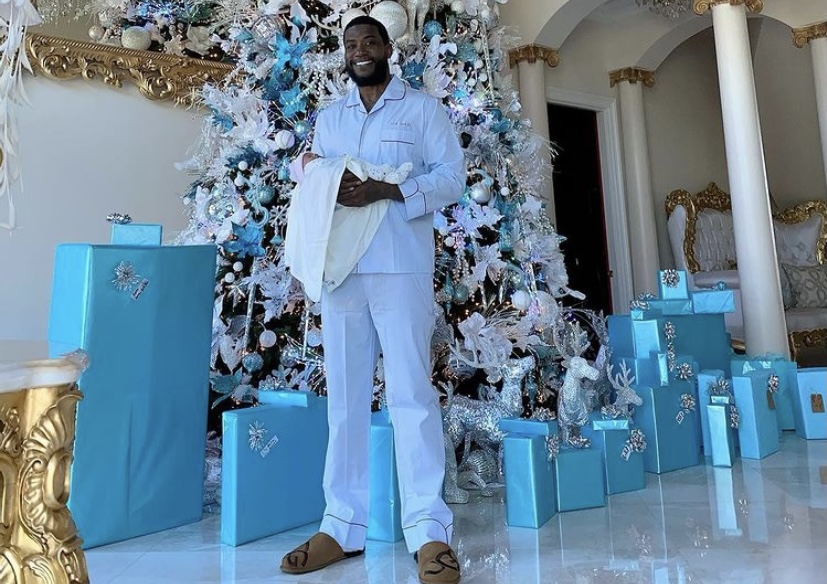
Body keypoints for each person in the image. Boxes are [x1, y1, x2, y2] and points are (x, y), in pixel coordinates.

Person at [279, 15, 465, 584]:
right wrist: (312, 169)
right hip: (342, 273)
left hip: (400, 269)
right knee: (345, 401)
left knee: (410, 394)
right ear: (345, 53)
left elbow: (452, 177)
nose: (360, 51)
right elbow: (308, 175)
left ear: (388, 49)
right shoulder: (331, 117)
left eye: (370, 43)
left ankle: (429, 532)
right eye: (351, 45)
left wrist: (387, 189)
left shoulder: (423, 112)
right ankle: (342, 525)